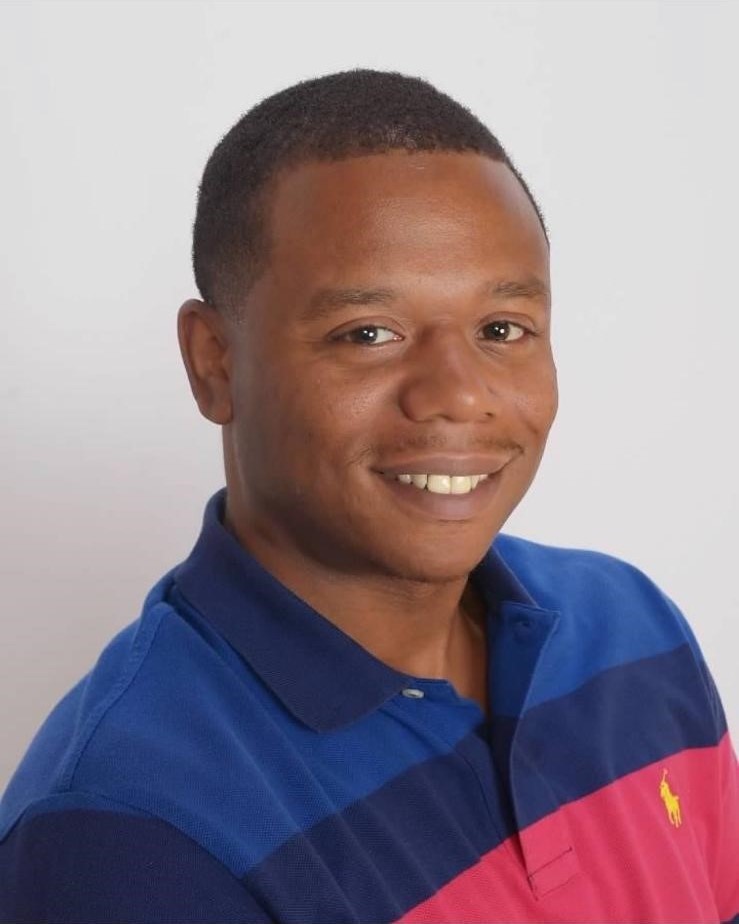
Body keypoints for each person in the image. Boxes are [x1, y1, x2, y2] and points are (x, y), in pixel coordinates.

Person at [0, 69, 736, 924]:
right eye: (368, 334)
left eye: (501, 330)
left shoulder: (631, 628)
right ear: (213, 362)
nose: (458, 394)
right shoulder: (124, 833)